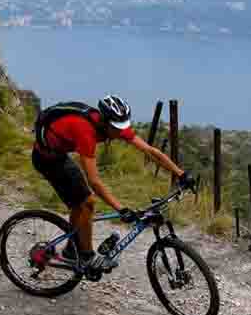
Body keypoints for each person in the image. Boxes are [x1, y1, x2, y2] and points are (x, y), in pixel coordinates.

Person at [31, 95, 195, 272]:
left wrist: (181, 174)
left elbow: (150, 151)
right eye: (116, 128)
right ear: (104, 122)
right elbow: (94, 181)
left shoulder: (113, 125)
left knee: (80, 205)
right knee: (87, 202)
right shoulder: (84, 131)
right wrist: (121, 209)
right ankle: (86, 257)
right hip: (46, 160)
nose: (120, 132)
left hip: (60, 155)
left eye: (122, 127)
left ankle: (73, 248)